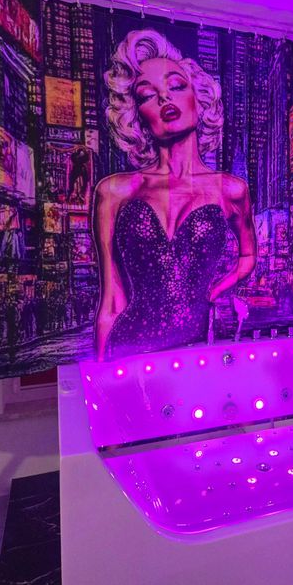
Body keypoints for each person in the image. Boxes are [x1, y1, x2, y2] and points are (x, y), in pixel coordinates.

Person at [94, 29, 257, 361]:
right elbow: (111, 301)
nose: (164, 98)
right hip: (130, 349)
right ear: (137, 114)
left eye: (176, 86)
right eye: (147, 95)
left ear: (199, 97)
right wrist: (100, 376)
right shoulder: (115, 191)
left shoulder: (231, 190)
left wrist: (214, 291)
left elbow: (248, 256)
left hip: (196, 351)